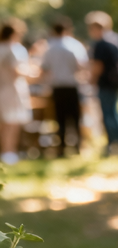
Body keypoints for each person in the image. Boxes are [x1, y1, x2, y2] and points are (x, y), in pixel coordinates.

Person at [42, 17, 89, 157]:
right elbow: (82, 66)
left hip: (57, 87)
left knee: (60, 118)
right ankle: (78, 146)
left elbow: (45, 68)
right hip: (72, 85)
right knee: (75, 117)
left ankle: (61, 147)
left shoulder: (49, 47)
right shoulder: (75, 46)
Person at [87, 12, 118, 157]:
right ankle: (117, 144)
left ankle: (112, 145)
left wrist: (91, 80)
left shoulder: (101, 44)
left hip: (105, 84)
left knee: (108, 115)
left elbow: (98, 67)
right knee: (113, 114)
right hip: (114, 84)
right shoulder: (116, 41)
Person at [0, 18, 33, 165]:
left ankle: (6, 152)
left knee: (4, 123)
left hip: (3, 88)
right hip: (11, 90)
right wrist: (34, 74)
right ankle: (9, 152)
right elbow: (16, 71)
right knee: (12, 123)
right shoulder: (13, 49)